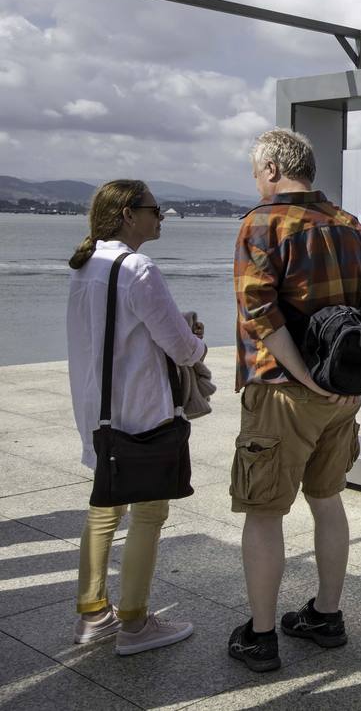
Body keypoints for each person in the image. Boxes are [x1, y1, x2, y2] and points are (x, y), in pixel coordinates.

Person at [228, 128, 361, 673]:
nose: (256, 181)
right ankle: (326, 615)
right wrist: (350, 376)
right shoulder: (349, 224)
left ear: (274, 168)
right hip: (343, 397)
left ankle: (260, 636)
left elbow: (260, 313)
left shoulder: (262, 222)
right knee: (327, 501)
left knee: (264, 512)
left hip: (284, 394)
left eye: (257, 171)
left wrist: (307, 375)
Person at [66, 180, 206, 654]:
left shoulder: (86, 266)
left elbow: (112, 332)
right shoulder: (140, 268)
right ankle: (134, 621)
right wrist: (197, 339)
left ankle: (91, 614)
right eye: (155, 210)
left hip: (96, 409)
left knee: (104, 505)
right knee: (149, 510)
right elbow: (182, 348)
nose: (161, 217)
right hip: (143, 411)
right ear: (129, 214)